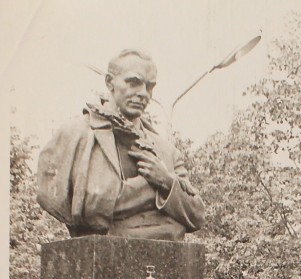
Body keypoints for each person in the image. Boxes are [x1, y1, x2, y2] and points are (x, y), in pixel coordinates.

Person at [37, 49, 205, 240]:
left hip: (156, 259)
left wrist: (166, 181)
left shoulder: (166, 151)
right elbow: (92, 206)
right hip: (98, 252)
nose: (143, 93)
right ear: (110, 82)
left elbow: (197, 214)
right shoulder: (73, 134)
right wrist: (150, 187)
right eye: (133, 82)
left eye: (150, 87)